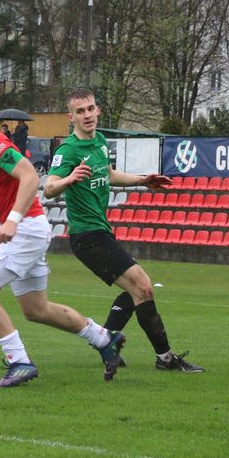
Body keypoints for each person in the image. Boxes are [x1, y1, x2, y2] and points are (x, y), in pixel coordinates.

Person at [0, 82, 125, 389]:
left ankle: (19, 362)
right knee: (36, 310)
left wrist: (11, 221)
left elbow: (29, 175)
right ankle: (104, 338)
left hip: (25, 229)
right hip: (29, 229)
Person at [44, 87, 203, 373]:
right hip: (87, 236)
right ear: (71, 117)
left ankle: (106, 340)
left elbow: (110, 173)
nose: (87, 115)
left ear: (98, 110)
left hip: (101, 232)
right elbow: (49, 188)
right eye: (80, 111)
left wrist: (144, 179)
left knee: (136, 291)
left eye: (90, 109)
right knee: (142, 286)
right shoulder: (68, 150)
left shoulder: (101, 142)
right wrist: (69, 178)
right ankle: (164, 358)